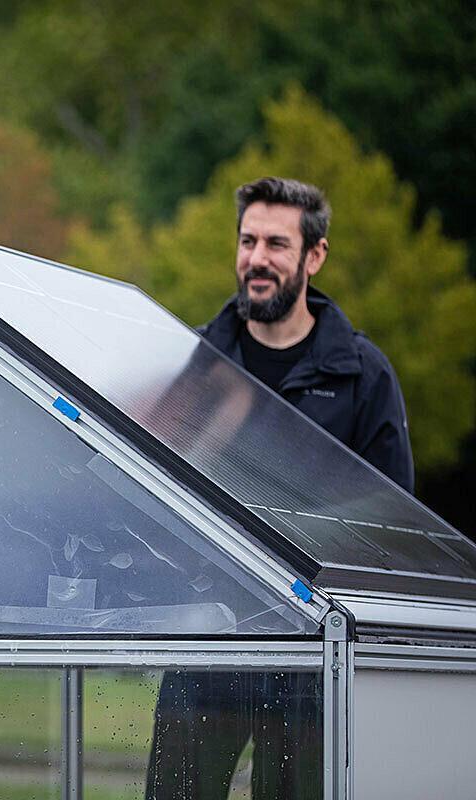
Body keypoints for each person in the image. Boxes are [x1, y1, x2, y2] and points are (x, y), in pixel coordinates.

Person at [145, 176, 413, 800]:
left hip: (314, 653)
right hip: (206, 641)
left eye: (275, 244)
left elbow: (398, 524)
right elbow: (156, 486)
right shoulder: (198, 363)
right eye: (246, 241)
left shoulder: (362, 376)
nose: (256, 259)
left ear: (314, 257)